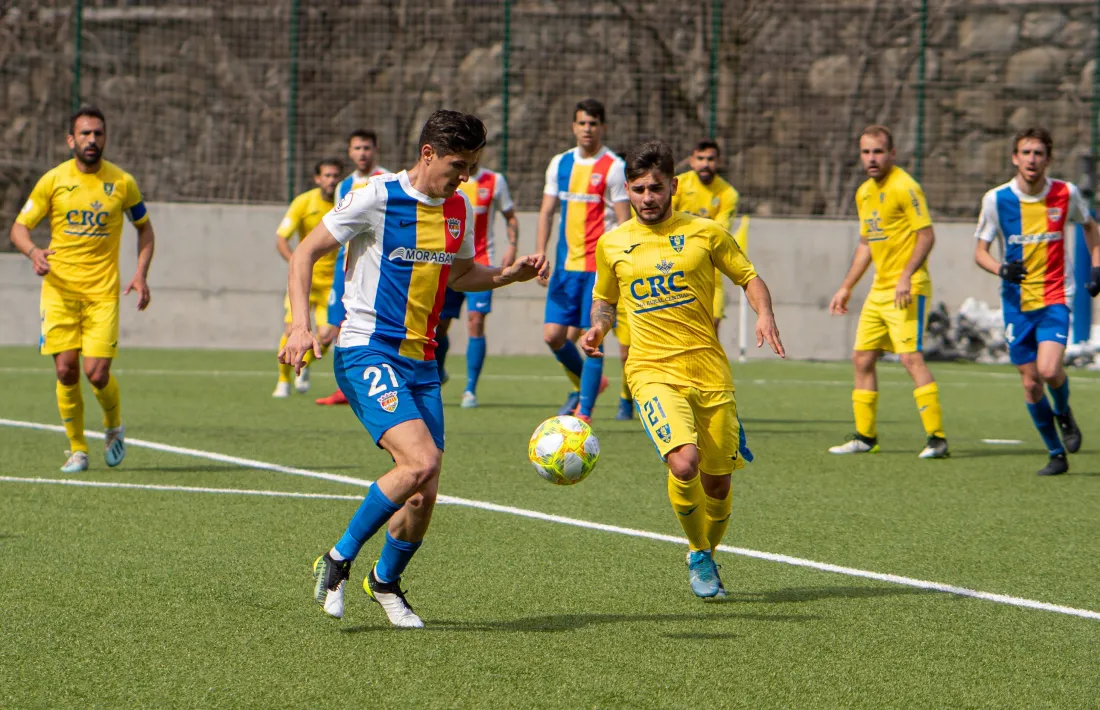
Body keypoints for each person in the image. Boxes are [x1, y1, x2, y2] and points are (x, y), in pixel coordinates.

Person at [280, 110, 548, 627]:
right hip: (368, 349)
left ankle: (384, 582)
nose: (464, 176)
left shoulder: (458, 207)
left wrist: (506, 275)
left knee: (423, 493)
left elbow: (461, 274)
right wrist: (299, 326)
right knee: (420, 461)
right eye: (457, 165)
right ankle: (336, 560)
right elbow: (304, 254)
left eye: (471, 166)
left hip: (422, 361)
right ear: (428, 154)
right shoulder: (374, 196)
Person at [580, 139, 784, 598]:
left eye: (655, 188)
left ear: (673, 186)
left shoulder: (705, 232)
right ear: (627, 191)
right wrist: (598, 328)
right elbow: (605, 300)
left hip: (709, 372)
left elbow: (748, 277)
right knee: (684, 461)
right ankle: (697, 552)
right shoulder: (612, 243)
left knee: (718, 484)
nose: (647, 198)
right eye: (638, 189)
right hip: (651, 370)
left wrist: (765, 313)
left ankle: (708, 550)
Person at [8, 105, 155, 473]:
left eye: (98, 133)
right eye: (85, 134)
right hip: (59, 292)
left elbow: (145, 229)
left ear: (105, 139)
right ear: (70, 140)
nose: (92, 140)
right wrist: (33, 252)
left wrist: (140, 274)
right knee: (66, 371)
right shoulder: (53, 180)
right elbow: (19, 228)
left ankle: (113, 426)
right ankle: (77, 449)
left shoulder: (122, 183)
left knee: (97, 374)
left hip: (102, 294)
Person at [974, 127, 1100, 476]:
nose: (1032, 160)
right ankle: (1056, 454)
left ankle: (1064, 412)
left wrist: (1096, 266)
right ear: (1015, 158)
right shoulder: (996, 200)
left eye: (1038, 154)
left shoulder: (1065, 193)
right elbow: (980, 252)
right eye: (1026, 153)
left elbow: (1091, 226)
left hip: (1056, 295)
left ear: (1048, 159)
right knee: (1030, 383)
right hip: (1016, 305)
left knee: (1048, 370)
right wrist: (1001, 269)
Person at [827, 125, 949, 459]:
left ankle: (937, 438)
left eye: (878, 152)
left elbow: (926, 235)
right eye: (866, 152)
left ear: (892, 154)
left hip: (907, 289)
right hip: (879, 290)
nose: (872, 158)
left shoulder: (906, 186)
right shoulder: (864, 192)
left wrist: (906, 276)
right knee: (862, 358)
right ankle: (865, 437)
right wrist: (846, 287)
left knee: (910, 358)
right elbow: (866, 244)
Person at [536, 98, 631, 422]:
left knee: (593, 337)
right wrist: (541, 253)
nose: (587, 129)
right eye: (582, 123)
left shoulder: (614, 166)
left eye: (593, 123)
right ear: (573, 127)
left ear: (603, 127)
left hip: (597, 269)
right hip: (566, 267)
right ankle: (592, 384)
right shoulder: (560, 163)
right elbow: (547, 211)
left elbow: (624, 221)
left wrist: (620, 264)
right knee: (553, 336)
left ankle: (585, 411)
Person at [315, 129, 392, 406]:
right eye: (357, 148)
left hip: (375, 267)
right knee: (334, 328)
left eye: (367, 148)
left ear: (376, 150)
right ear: (349, 152)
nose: (362, 153)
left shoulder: (387, 180)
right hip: (345, 265)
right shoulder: (344, 186)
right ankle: (346, 388)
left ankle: (380, 384)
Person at [435, 163, 520, 407]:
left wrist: (512, 245)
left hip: (481, 262)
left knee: (476, 321)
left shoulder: (494, 181)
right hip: (449, 262)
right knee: (439, 326)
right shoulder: (445, 179)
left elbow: (510, 216)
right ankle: (438, 373)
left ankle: (470, 390)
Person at [272, 158, 344, 397]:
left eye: (335, 176)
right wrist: (297, 265)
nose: (331, 180)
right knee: (291, 329)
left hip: (331, 284)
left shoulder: (346, 203)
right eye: (327, 176)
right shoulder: (303, 202)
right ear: (317, 179)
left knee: (326, 336)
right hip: (306, 281)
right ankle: (283, 381)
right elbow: (282, 238)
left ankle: (304, 366)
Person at [671, 138, 740, 334]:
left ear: (719, 162)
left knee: (711, 328)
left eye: (710, 159)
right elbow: (666, 220)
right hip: (676, 266)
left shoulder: (728, 194)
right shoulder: (678, 184)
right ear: (692, 161)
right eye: (700, 158)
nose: (705, 164)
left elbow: (718, 231)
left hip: (710, 270)